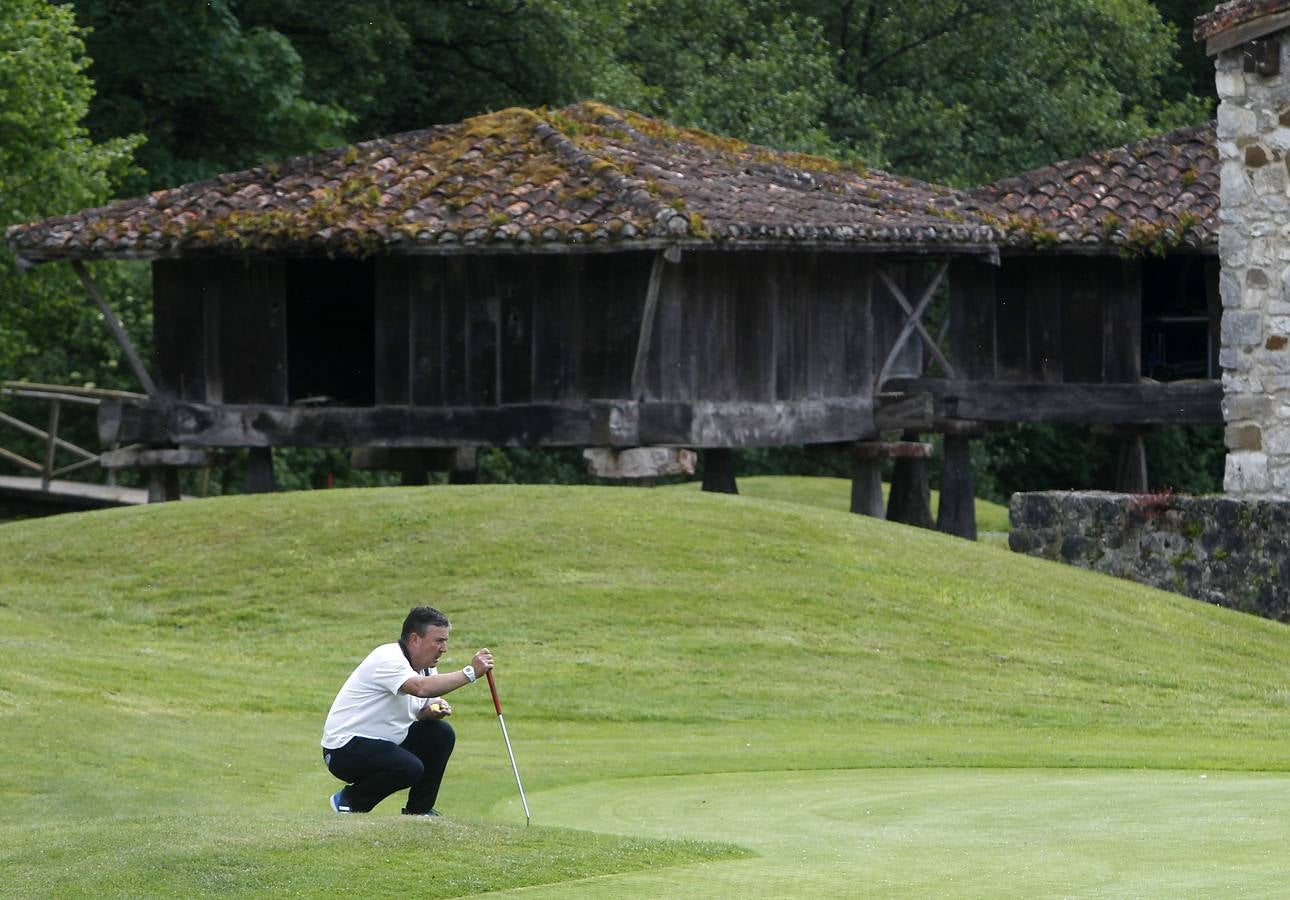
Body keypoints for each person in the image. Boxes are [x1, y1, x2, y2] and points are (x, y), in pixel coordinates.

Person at [321, 606, 493, 815]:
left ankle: (419, 812)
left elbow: (422, 709)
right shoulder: (387, 657)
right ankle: (349, 802)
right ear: (415, 639)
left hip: (384, 744)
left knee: (441, 733)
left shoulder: (427, 667)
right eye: (438, 641)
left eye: (445, 640)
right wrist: (471, 673)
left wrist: (433, 710)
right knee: (409, 767)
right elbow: (420, 688)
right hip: (344, 750)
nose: (444, 648)